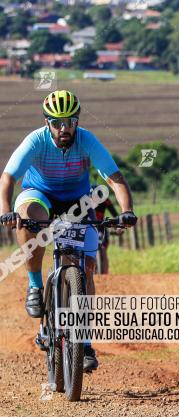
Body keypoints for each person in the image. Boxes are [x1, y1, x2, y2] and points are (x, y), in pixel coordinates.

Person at [0, 90, 137, 372]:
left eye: (70, 122)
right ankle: (36, 285)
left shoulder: (86, 140)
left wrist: (126, 211)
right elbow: (8, 177)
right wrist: (5, 210)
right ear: (47, 123)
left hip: (77, 201)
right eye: (58, 122)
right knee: (28, 215)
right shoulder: (36, 141)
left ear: (77, 121)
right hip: (40, 195)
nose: (65, 128)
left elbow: (115, 178)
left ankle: (84, 343)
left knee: (85, 269)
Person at [92, 184, 119, 275]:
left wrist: (118, 227)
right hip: (89, 227)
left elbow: (115, 215)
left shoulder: (106, 200)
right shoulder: (84, 201)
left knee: (103, 249)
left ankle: (105, 276)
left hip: (101, 227)